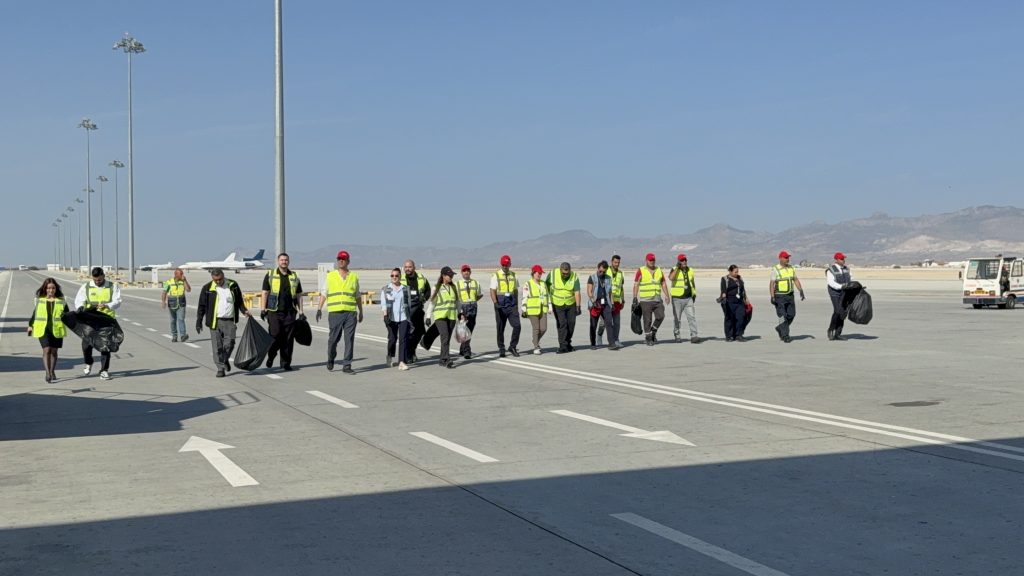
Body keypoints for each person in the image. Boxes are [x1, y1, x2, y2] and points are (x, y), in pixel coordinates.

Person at [195, 268, 250, 377]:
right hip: (215, 321)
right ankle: (220, 368)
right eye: (216, 280)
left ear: (223, 275)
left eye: (220, 279)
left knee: (230, 344)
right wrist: (199, 321)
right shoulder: (207, 288)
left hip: (229, 320)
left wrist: (244, 311)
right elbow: (201, 305)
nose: (218, 282)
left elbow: (239, 301)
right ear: (212, 278)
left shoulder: (233, 285)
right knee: (217, 347)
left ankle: (224, 360)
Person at [317, 250, 363, 374]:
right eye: (339, 259)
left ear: (348, 261)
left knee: (349, 339)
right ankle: (331, 357)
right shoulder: (331, 276)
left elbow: (357, 295)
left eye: (343, 259)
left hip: (350, 313)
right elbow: (324, 293)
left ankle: (347, 364)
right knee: (333, 340)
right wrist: (319, 308)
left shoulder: (353, 277)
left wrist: (361, 311)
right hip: (335, 313)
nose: (341, 261)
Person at [74, 267, 122, 380]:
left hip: (106, 320)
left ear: (103, 276)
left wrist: (108, 305)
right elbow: (79, 300)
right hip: (90, 319)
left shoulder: (112, 286)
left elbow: (118, 300)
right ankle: (88, 362)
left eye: (99, 280)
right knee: (86, 345)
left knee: (105, 346)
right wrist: (80, 307)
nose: (97, 282)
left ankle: (104, 370)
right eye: (95, 280)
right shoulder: (86, 287)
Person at [261, 252, 304, 371]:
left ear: (288, 262)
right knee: (275, 336)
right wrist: (263, 309)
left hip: (290, 312)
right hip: (274, 311)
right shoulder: (270, 274)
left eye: (286, 260)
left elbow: (299, 295)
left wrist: (301, 312)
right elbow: (265, 292)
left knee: (288, 339)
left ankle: (285, 362)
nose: (284, 262)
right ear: (278, 261)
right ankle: (271, 355)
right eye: (282, 260)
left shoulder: (294, 276)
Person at [27, 277, 67, 383]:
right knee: (47, 349)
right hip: (43, 329)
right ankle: (48, 373)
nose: (51, 290)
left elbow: (67, 315)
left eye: (53, 288)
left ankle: (52, 371)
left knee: (54, 351)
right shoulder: (40, 300)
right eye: (48, 288)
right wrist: (30, 325)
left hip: (56, 328)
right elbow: (35, 314)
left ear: (56, 289)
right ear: (45, 289)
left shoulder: (61, 301)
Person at [633, 253, 671, 346]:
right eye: (650, 260)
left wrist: (667, 295)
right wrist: (635, 298)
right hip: (645, 300)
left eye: (653, 260)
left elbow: (663, 283)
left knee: (661, 316)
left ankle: (653, 331)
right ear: (646, 260)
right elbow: (636, 284)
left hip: (657, 299)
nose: (652, 261)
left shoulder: (659, 270)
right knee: (647, 320)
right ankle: (648, 338)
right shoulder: (641, 270)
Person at [769, 250, 805, 343]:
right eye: (786, 257)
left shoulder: (791, 268)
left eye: (788, 257)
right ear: (780, 258)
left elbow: (795, 279)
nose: (787, 259)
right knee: (782, 316)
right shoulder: (775, 269)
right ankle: (785, 335)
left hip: (790, 295)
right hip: (779, 296)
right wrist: (772, 296)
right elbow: (772, 284)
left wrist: (800, 290)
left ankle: (780, 328)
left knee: (791, 314)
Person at [491, 255, 521, 357]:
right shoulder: (496, 275)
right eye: (503, 265)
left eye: (507, 265)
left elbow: (516, 290)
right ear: (501, 264)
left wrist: (516, 305)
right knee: (500, 328)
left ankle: (512, 346)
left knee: (517, 326)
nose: (505, 266)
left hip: (511, 305)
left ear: (510, 264)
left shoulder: (514, 275)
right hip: (500, 305)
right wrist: (495, 303)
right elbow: (492, 290)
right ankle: (501, 348)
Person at [381, 267, 411, 370]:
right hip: (391, 318)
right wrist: (385, 315)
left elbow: (409, 303)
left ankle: (401, 362)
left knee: (403, 339)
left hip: (403, 317)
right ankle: (389, 355)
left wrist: (409, 317)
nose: (394, 277)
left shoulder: (405, 288)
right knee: (392, 339)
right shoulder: (386, 289)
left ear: (400, 276)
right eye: (392, 275)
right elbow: (384, 304)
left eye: (396, 275)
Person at [547, 262, 581, 354]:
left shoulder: (574, 276)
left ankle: (567, 343)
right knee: (562, 324)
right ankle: (562, 346)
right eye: (563, 273)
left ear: (570, 270)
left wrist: (578, 306)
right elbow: (546, 287)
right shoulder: (553, 274)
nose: (565, 275)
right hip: (557, 303)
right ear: (560, 270)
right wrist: (548, 302)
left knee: (571, 324)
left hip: (571, 303)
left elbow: (577, 291)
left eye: (567, 273)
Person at [587, 261, 621, 350]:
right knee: (593, 324)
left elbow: (610, 292)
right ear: (598, 269)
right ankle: (593, 343)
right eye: (600, 271)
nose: (602, 273)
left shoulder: (608, 278)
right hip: (595, 304)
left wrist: (612, 303)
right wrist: (593, 301)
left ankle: (611, 343)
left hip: (606, 304)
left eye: (604, 272)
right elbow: (589, 291)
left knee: (609, 323)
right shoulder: (592, 277)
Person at [401, 260, 430, 363]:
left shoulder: (422, 278)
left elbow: (428, 290)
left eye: (409, 267)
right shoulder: (400, 278)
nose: (407, 269)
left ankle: (412, 350)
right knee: (408, 333)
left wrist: (424, 299)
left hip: (418, 309)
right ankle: (408, 354)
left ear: (414, 267)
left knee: (419, 332)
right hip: (405, 310)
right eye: (406, 267)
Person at [429, 267, 459, 369]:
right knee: (445, 336)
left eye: (452, 275)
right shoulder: (436, 288)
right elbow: (432, 303)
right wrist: (428, 316)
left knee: (446, 339)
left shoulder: (453, 287)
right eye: (449, 275)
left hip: (451, 317)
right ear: (443, 276)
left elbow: (457, 302)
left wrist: (460, 313)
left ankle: (442, 359)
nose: (451, 277)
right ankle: (446, 359)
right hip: (440, 316)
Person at [669, 253, 702, 344]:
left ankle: (694, 336)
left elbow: (692, 283)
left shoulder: (690, 270)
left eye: (685, 260)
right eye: (682, 260)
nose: (684, 262)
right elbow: (671, 278)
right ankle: (677, 334)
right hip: (677, 298)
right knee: (677, 318)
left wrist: (694, 294)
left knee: (691, 317)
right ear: (678, 261)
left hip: (688, 298)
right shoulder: (674, 269)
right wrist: (677, 268)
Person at [826, 252, 857, 341]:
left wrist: (854, 286)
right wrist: (842, 286)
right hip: (835, 293)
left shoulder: (847, 269)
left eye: (844, 259)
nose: (843, 260)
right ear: (836, 260)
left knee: (843, 312)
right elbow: (831, 283)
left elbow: (851, 279)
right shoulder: (831, 270)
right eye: (842, 259)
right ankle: (831, 330)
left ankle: (838, 333)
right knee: (837, 311)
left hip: (845, 293)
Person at [597, 254, 625, 347]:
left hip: (616, 301)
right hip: (606, 301)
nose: (617, 264)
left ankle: (616, 340)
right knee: (604, 322)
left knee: (617, 322)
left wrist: (623, 299)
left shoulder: (621, 273)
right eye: (615, 262)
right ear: (611, 262)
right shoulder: (606, 271)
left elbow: (621, 287)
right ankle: (599, 335)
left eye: (618, 262)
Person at [521, 265, 549, 354]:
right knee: (536, 329)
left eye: (541, 273)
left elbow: (547, 295)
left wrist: (550, 306)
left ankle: (535, 340)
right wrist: (524, 308)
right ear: (533, 273)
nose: (540, 275)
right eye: (538, 273)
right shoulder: (528, 284)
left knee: (544, 328)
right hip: (532, 309)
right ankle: (536, 347)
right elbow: (525, 297)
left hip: (543, 309)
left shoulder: (543, 283)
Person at [456, 264, 482, 359]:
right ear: (461, 273)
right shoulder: (457, 284)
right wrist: (461, 311)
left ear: (470, 272)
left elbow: (479, 295)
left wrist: (472, 302)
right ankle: (467, 351)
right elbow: (456, 299)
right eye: (464, 271)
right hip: (462, 308)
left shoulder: (475, 283)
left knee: (470, 330)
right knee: (463, 330)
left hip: (473, 307)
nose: (466, 272)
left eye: (468, 270)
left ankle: (462, 348)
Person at [719, 265, 749, 342]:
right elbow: (723, 289)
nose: (737, 273)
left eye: (737, 271)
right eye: (735, 272)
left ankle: (739, 335)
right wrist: (723, 295)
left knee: (741, 317)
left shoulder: (739, 278)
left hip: (739, 302)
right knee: (729, 319)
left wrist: (746, 298)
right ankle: (729, 336)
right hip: (729, 301)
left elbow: (743, 289)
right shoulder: (725, 279)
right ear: (730, 271)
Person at [161, 268, 191, 342]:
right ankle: (174, 336)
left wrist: (185, 280)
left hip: (181, 304)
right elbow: (164, 292)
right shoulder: (169, 282)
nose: (182, 275)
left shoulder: (183, 281)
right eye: (181, 274)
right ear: (176, 274)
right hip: (172, 304)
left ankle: (183, 335)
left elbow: (188, 290)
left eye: (182, 274)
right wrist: (163, 301)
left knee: (181, 319)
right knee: (173, 320)